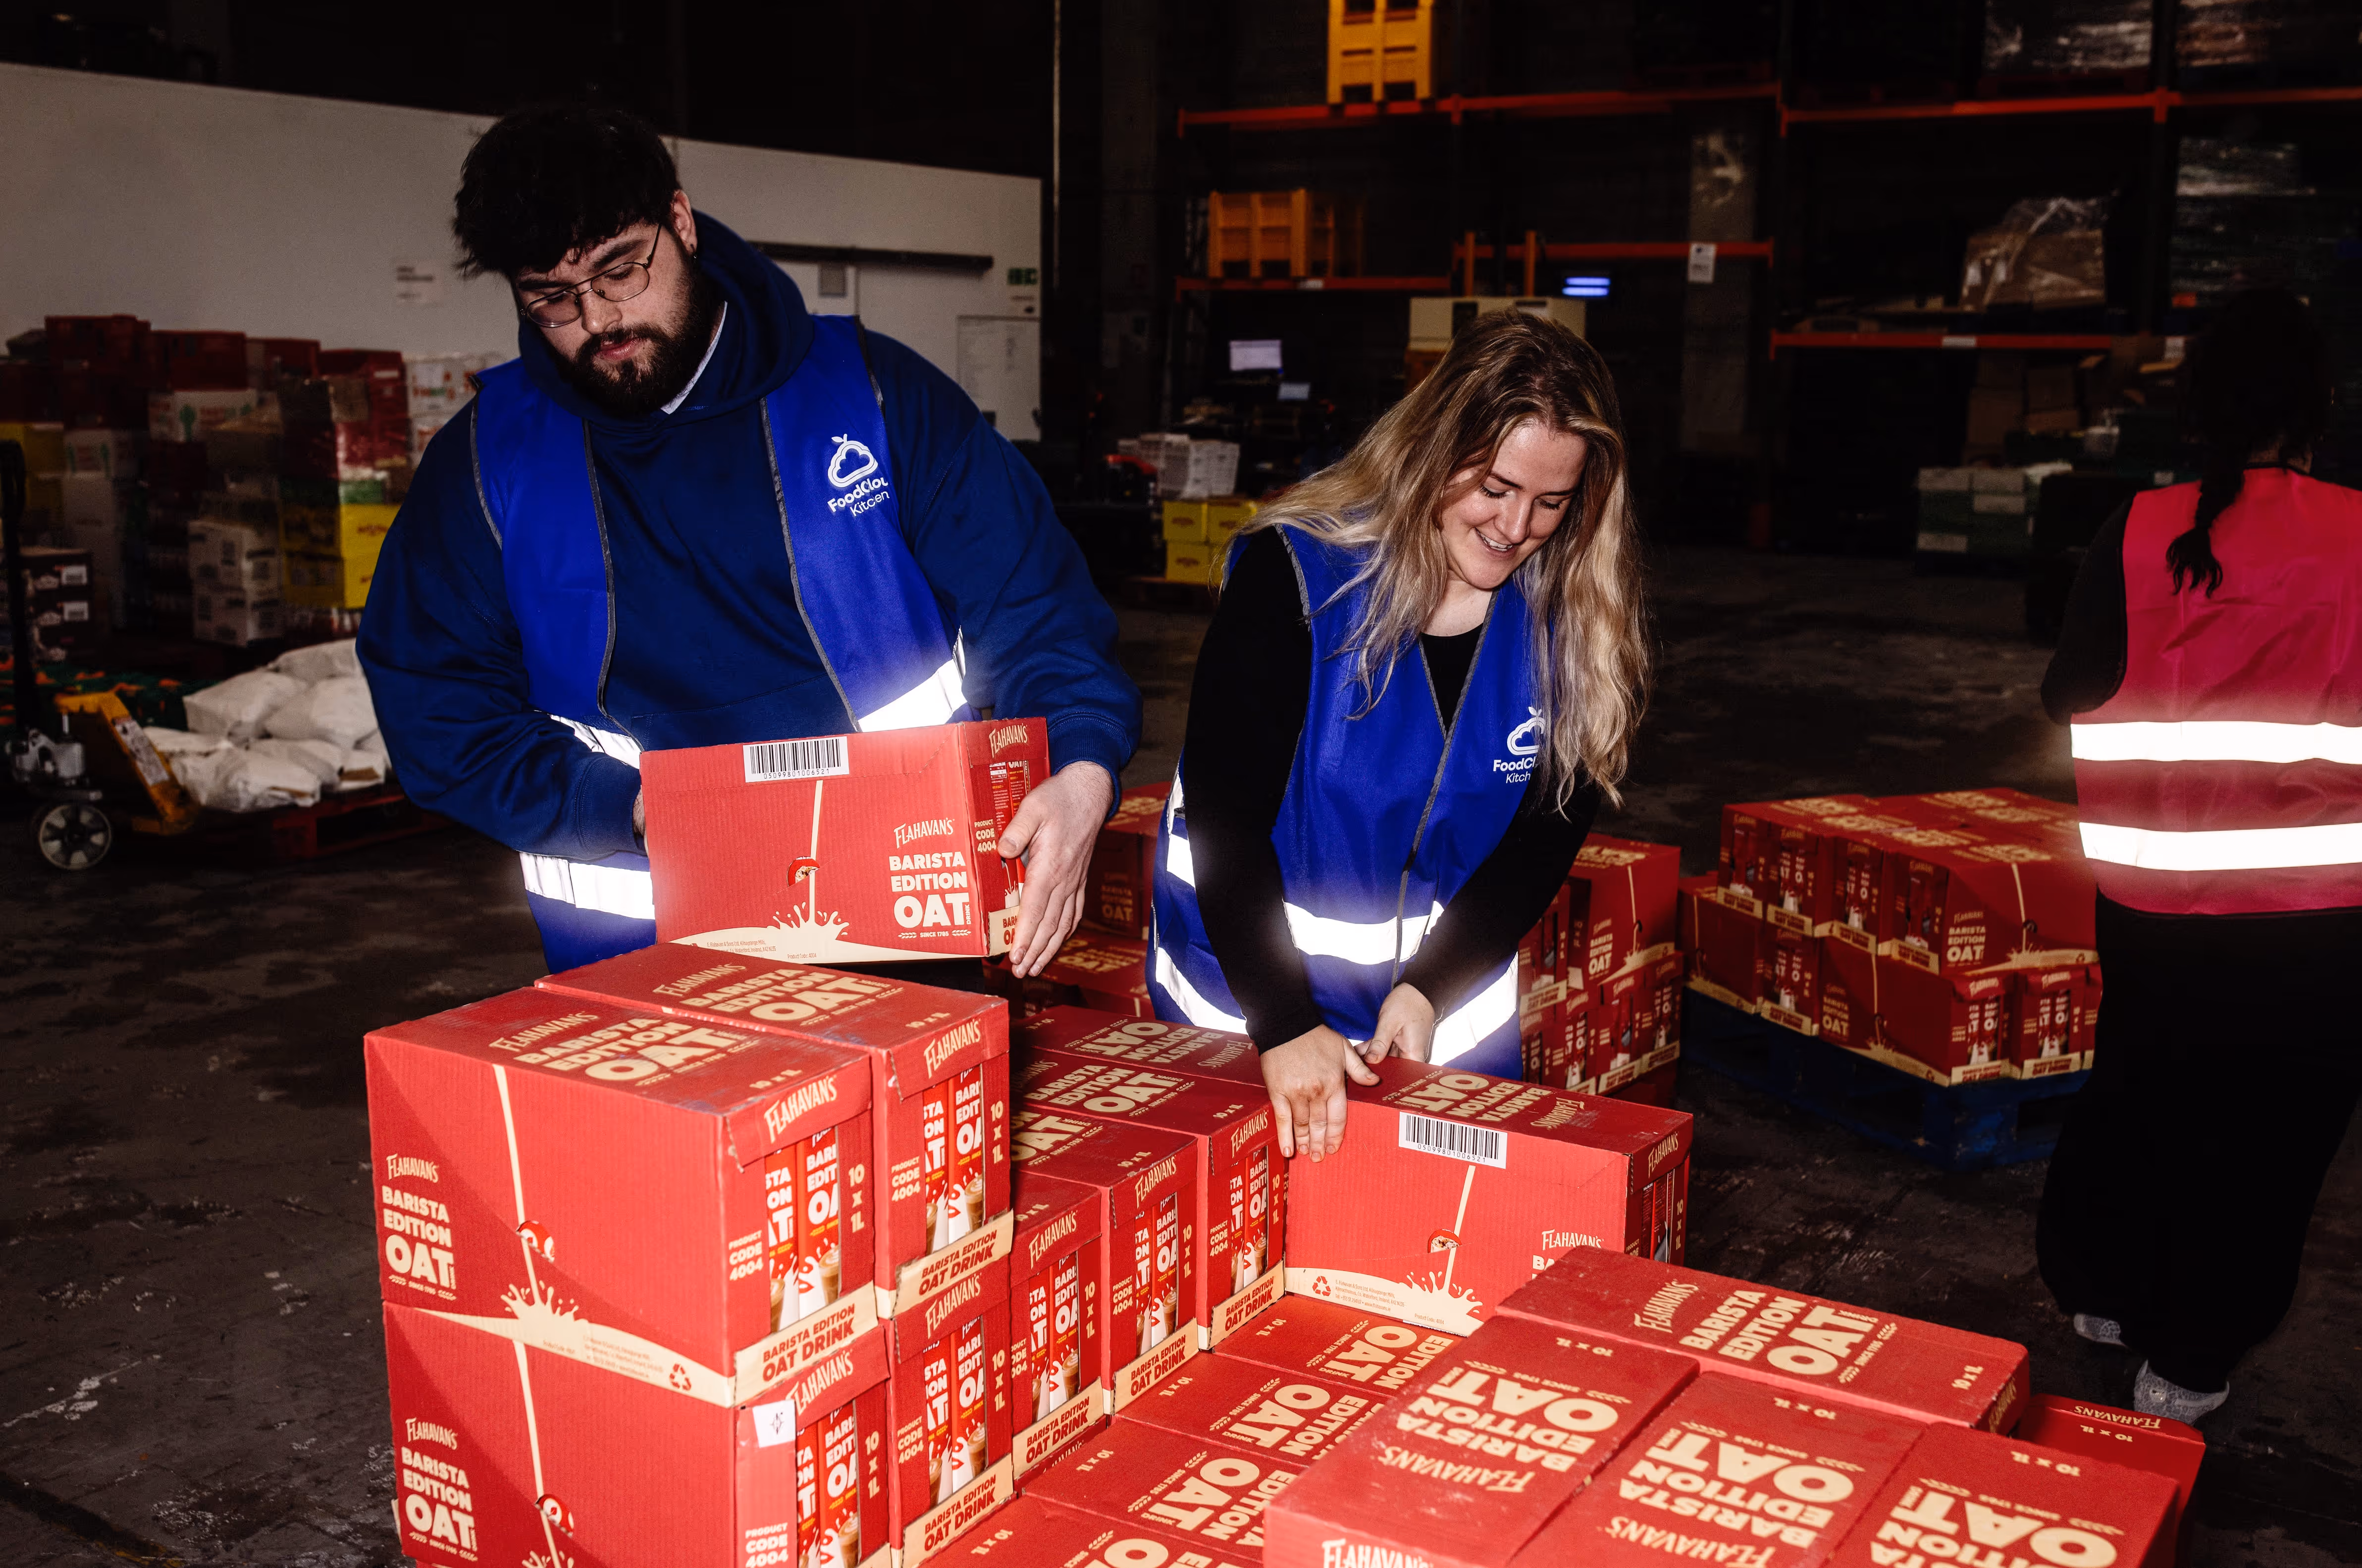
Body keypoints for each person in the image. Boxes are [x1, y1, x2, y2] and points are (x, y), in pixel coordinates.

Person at [359, 104, 1140, 976]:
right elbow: (433, 697)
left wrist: (1082, 766)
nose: (599, 320)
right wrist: (618, 804)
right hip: (634, 960)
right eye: (552, 298)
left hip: (904, 926)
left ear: (681, 224)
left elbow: (1034, 606)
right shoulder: (486, 466)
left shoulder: (875, 400)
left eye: (622, 270)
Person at [2038, 288, 2362, 1423]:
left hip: (2162, 899)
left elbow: (2070, 688)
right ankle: (2191, 1363)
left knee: (2148, 1087)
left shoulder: (2142, 528)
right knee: (2273, 1133)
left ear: (2193, 406)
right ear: (2322, 406)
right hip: (2335, 916)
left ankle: (2102, 1290)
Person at [1150, 310, 1653, 1161]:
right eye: (1493, 486)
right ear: (1435, 446)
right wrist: (1283, 1018)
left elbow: (1541, 839)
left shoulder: (1571, 620)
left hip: (1434, 1018)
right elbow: (1225, 822)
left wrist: (1430, 990)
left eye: (1551, 502)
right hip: (1246, 1003)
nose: (1515, 526)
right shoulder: (1301, 579)